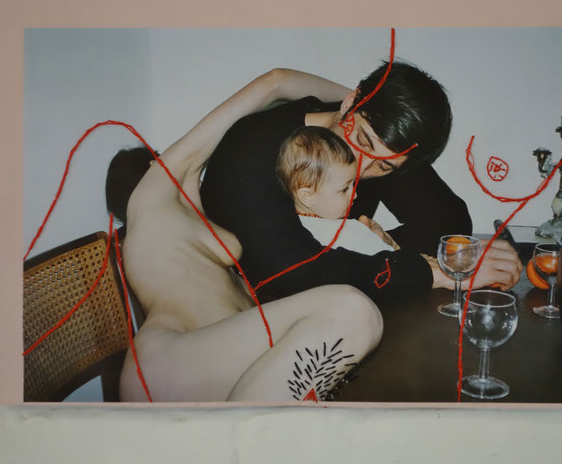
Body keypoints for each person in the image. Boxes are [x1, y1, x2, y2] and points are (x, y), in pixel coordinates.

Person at [108, 69, 383, 402]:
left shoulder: (187, 220)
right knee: (355, 312)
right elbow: (277, 82)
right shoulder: (150, 197)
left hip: (215, 362)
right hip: (170, 361)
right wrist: (365, 106)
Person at [200, 61, 522, 304]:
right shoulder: (252, 153)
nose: (360, 166)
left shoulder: (377, 140)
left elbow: (449, 217)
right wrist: (433, 272)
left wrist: (385, 245)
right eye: (362, 141)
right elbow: (291, 275)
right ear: (349, 102)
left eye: (384, 166)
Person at [276, 125, 396, 256]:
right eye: (344, 189)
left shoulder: (288, 230)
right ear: (307, 197)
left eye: (353, 185)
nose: (354, 195)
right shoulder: (350, 233)